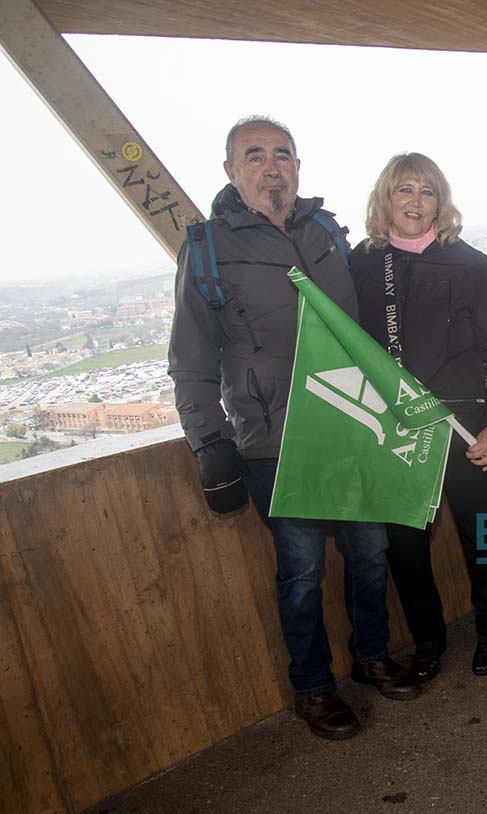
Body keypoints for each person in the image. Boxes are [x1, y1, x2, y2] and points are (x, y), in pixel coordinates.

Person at [168, 116, 418, 741]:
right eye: (254, 156)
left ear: (298, 168)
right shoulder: (206, 247)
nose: (271, 166)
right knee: (302, 574)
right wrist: (208, 442)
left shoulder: (324, 231)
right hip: (275, 441)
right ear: (231, 172)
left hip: (350, 427)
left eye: (282, 154)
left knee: (369, 555)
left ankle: (371, 656)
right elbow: (191, 359)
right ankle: (312, 688)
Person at [349, 152, 487, 678]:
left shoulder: (469, 264)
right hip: (395, 430)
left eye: (427, 191)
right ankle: (428, 640)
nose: (415, 201)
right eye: (404, 189)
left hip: (464, 427)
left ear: (440, 203)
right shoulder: (362, 264)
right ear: (385, 199)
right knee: (404, 547)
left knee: (482, 535)